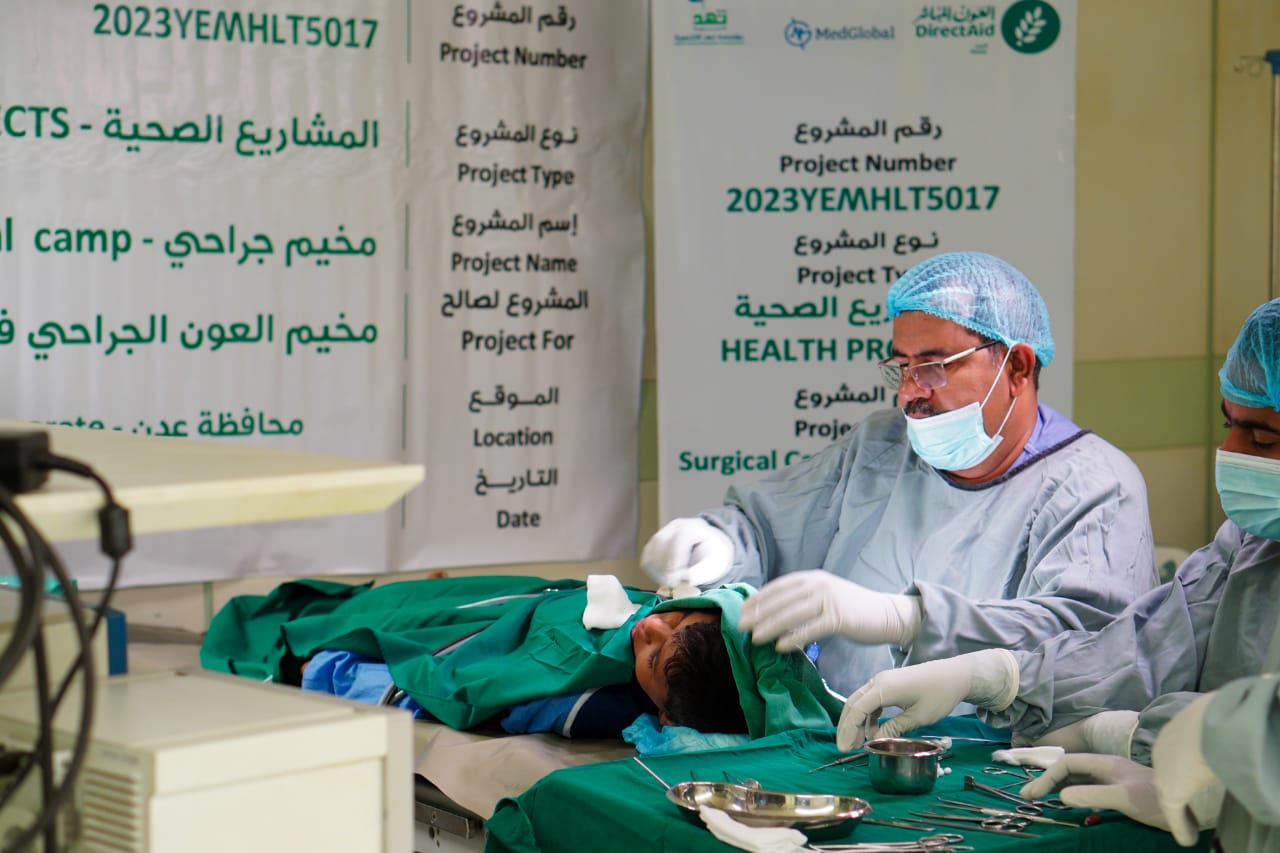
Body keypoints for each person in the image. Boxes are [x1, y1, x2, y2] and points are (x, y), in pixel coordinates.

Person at [838, 298, 1280, 851]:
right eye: (1228, 425)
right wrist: (998, 676)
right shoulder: (1253, 542)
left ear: (1018, 368)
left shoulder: (1093, 480)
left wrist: (1140, 736)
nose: (1230, 451)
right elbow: (1145, 651)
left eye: (1263, 438)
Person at [642, 251, 1158, 695]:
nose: (910, 391)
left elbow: (1088, 648)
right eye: (902, 367)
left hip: (991, 760)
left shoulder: (1096, 488)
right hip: (838, 743)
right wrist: (718, 544)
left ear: (1018, 367)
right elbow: (769, 526)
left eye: (934, 366)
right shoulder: (882, 446)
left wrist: (906, 619)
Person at [201, 574, 843, 739]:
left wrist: (327, 672)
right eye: (675, 617)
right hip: (503, 601)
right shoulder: (694, 623)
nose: (647, 628)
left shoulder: (590, 702)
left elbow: (464, 684)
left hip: (430, 648)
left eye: (651, 660)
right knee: (407, 605)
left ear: (667, 716)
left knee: (336, 634)